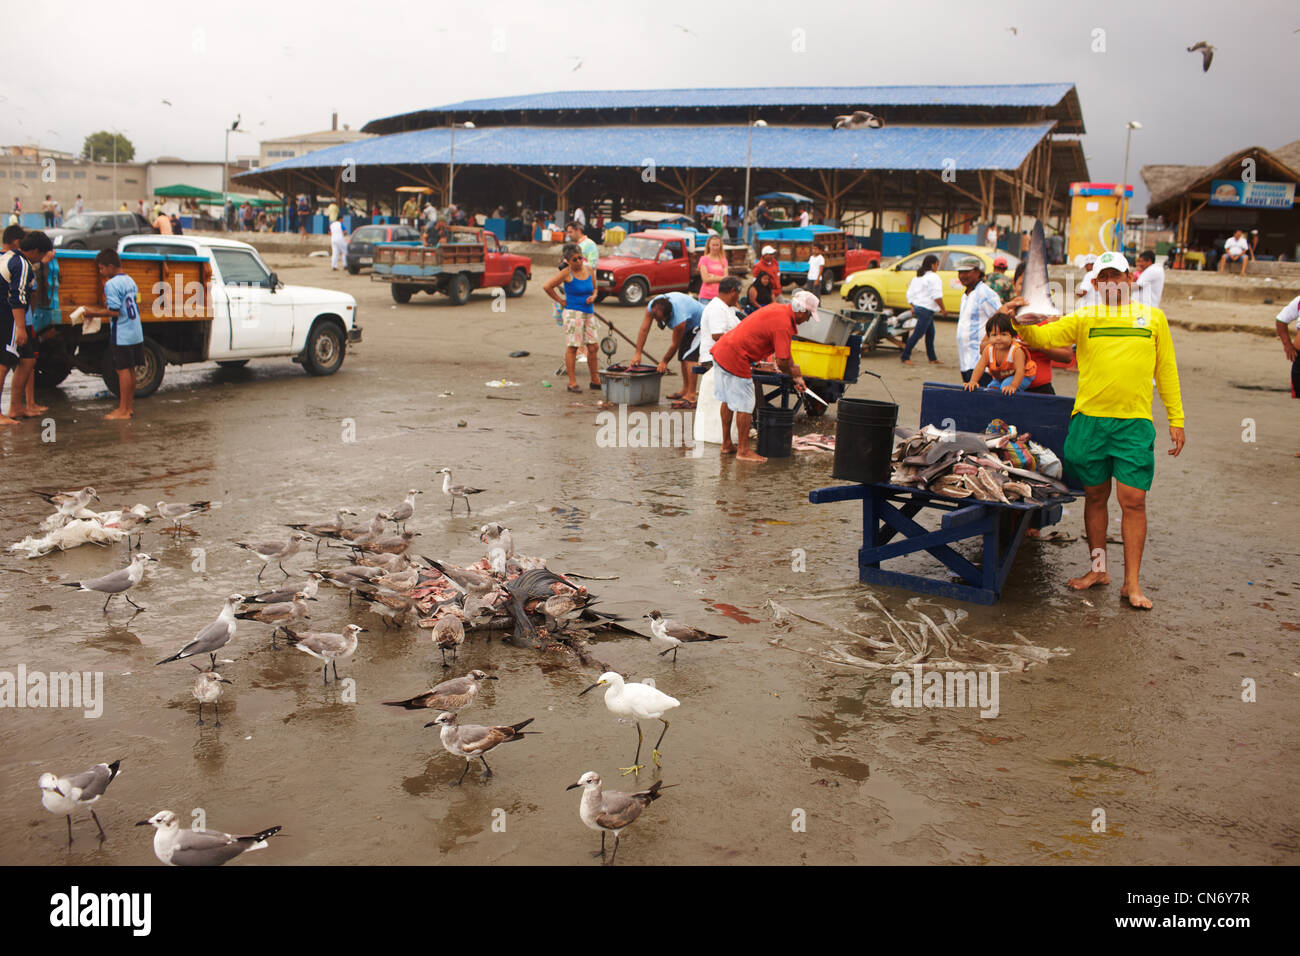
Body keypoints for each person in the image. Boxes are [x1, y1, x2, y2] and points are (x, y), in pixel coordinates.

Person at [1009, 250, 1186, 609]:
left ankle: (1131, 584)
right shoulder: (1085, 317)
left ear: (1129, 280)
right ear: (1095, 283)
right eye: (1102, 277)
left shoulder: (1153, 319)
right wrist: (1019, 318)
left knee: (1133, 501)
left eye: (1115, 276)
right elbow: (1042, 338)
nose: (1109, 283)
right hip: (1090, 420)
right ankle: (1099, 570)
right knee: (1094, 497)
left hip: (1134, 424)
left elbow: (1165, 370)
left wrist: (1176, 419)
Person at [709, 290, 818, 462]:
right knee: (745, 404)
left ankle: (726, 444)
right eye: (809, 316)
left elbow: (785, 355)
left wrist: (796, 373)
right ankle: (743, 450)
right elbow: (782, 362)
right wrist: (793, 375)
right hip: (736, 356)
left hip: (723, 350)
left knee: (728, 399)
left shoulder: (778, 309)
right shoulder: (784, 324)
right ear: (802, 311)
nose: (807, 320)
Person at [82, 249, 143, 420]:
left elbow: (114, 312)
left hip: (122, 332)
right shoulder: (130, 280)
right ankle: (128, 407)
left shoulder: (112, 284)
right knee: (130, 370)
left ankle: (123, 410)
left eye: (101, 269)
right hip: (135, 331)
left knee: (122, 370)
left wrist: (92, 313)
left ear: (110, 267)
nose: (100, 272)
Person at [996, 262, 1073, 395]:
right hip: (1005, 389)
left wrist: (1038, 347)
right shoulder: (1004, 312)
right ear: (1014, 284)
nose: (1028, 290)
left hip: (1040, 391)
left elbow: (1067, 356)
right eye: (1022, 284)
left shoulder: (1051, 315)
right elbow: (983, 348)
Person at [0, 226, 48, 425]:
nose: (42, 258)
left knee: (27, 360)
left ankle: (16, 406)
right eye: (42, 254)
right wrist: (20, 328)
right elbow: (17, 297)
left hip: (12, 317)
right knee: (3, 364)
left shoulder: (7, 257)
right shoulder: (22, 264)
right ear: (36, 251)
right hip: (9, 318)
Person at [543, 243, 601, 394]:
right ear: (568, 261)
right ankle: (572, 382)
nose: (578, 262)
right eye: (574, 259)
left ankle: (595, 380)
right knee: (573, 347)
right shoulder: (566, 273)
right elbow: (547, 286)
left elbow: (595, 289)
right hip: (573, 313)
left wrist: (593, 297)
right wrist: (560, 301)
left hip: (589, 312)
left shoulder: (589, 270)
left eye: (580, 258)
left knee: (593, 347)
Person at [632, 291, 704, 407]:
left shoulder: (679, 317)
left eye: (660, 319)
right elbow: (644, 329)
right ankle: (685, 390)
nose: (656, 321)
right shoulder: (653, 307)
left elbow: (675, 344)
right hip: (688, 325)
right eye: (655, 318)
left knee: (689, 357)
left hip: (700, 323)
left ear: (668, 316)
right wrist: (638, 353)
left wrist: (664, 361)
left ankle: (691, 397)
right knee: (682, 356)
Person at [953, 256, 1001, 384]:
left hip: (980, 362)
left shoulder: (985, 293)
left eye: (966, 272)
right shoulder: (966, 295)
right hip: (965, 360)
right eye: (960, 272)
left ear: (977, 272)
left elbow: (1000, 318)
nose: (962, 275)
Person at [963, 313, 1036, 393]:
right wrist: (973, 381)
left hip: (1024, 375)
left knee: (1006, 386)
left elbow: (1020, 371)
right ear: (989, 337)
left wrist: (1013, 386)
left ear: (1013, 336)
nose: (998, 338)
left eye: (1003, 334)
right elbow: (980, 367)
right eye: (994, 335)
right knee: (991, 389)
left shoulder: (1016, 350)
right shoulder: (988, 350)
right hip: (1001, 377)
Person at [901, 253, 944, 366]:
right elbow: (937, 296)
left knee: (930, 334)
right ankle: (905, 356)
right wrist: (943, 309)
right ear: (933, 265)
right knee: (917, 334)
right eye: (937, 265)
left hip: (920, 308)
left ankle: (932, 358)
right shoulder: (934, 277)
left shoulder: (918, 277)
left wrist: (914, 306)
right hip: (926, 310)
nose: (937, 268)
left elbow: (909, 294)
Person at [698, 234, 728, 302]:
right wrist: (721, 278)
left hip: (720, 297)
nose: (715, 247)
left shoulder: (724, 260)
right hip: (705, 297)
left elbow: (726, 279)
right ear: (709, 245)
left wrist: (712, 276)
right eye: (713, 245)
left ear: (720, 246)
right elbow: (705, 279)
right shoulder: (704, 259)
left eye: (717, 245)